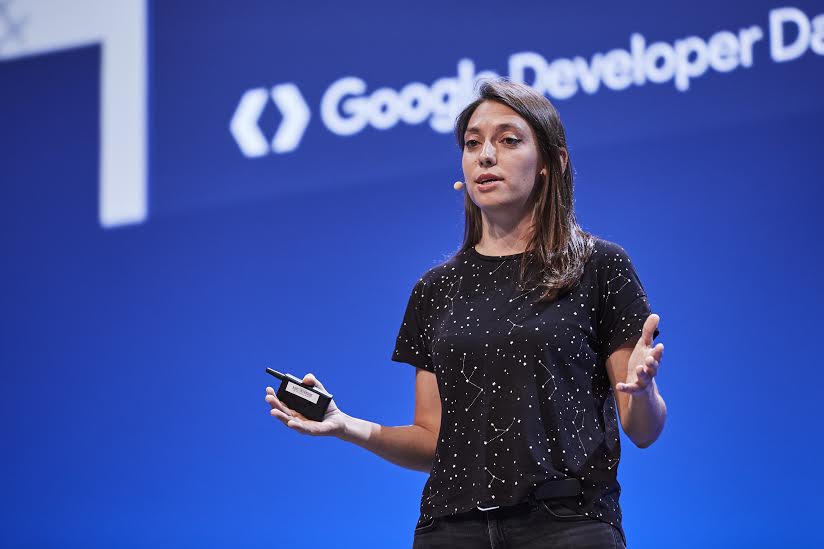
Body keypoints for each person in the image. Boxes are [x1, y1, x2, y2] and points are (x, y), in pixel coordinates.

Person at [265, 78, 667, 549]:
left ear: (551, 163)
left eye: (508, 140)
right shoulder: (435, 289)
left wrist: (644, 391)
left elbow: (642, 430)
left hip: (566, 525)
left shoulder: (599, 267)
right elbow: (432, 440)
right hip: (450, 530)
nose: (486, 155)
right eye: (473, 143)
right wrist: (346, 424)